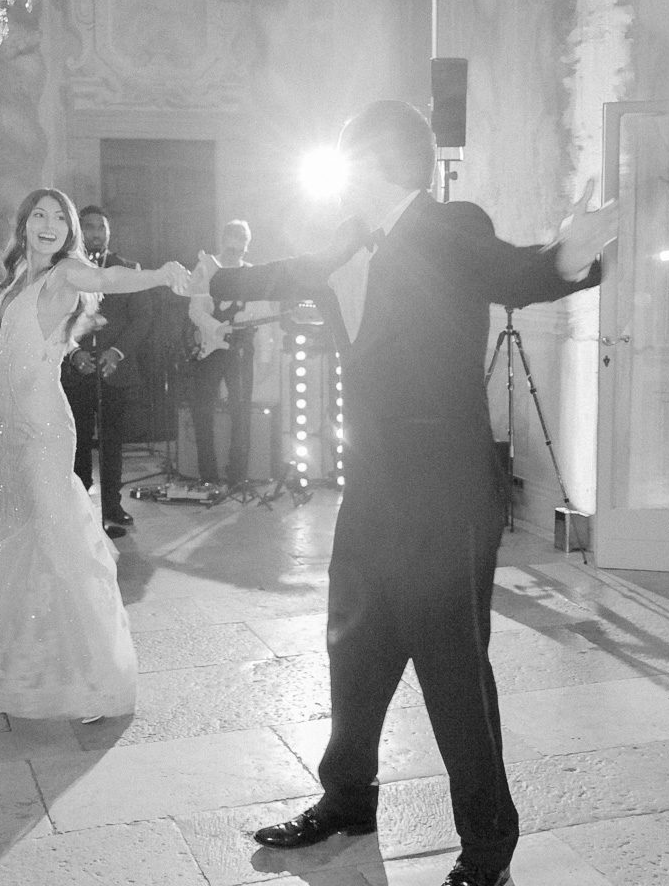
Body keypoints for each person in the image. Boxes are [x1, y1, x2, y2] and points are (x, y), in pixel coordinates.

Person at [211, 101, 614, 886]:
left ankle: (489, 846)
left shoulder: (447, 224)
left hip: (446, 492)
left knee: (452, 668)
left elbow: (512, 271)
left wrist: (566, 255)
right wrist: (211, 279)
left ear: (372, 165)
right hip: (374, 488)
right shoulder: (346, 243)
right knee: (354, 649)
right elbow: (282, 274)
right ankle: (347, 800)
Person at [0, 188, 189, 720]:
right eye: (40, 214)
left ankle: (90, 676)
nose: (49, 224)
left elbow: (109, 280)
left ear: (70, 231)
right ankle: (23, 663)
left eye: (60, 217)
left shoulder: (67, 272)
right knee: (20, 534)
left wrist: (160, 274)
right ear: (24, 223)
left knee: (57, 544)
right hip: (8, 426)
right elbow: (10, 345)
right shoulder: (18, 279)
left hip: (43, 426)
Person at [62, 205, 153, 537]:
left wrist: (116, 352)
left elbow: (142, 318)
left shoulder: (127, 269)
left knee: (113, 443)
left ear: (109, 232)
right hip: (77, 370)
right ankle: (81, 506)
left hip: (116, 371)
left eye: (101, 227)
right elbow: (57, 318)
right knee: (79, 440)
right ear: (78, 231)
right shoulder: (65, 269)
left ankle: (112, 505)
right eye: (88, 227)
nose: (95, 233)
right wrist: (73, 353)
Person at [187, 220, 256, 484]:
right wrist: (217, 328)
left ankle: (237, 476)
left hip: (241, 348)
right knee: (202, 411)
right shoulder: (205, 267)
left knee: (242, 412)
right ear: (223, 238)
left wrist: (264, 356)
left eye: (241, 241)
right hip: (210, 348)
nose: (235, 247)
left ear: (246, 246)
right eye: (232, 239)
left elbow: (259, 314)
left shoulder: (251, 273)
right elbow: (195, 310)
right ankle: (209, 476)